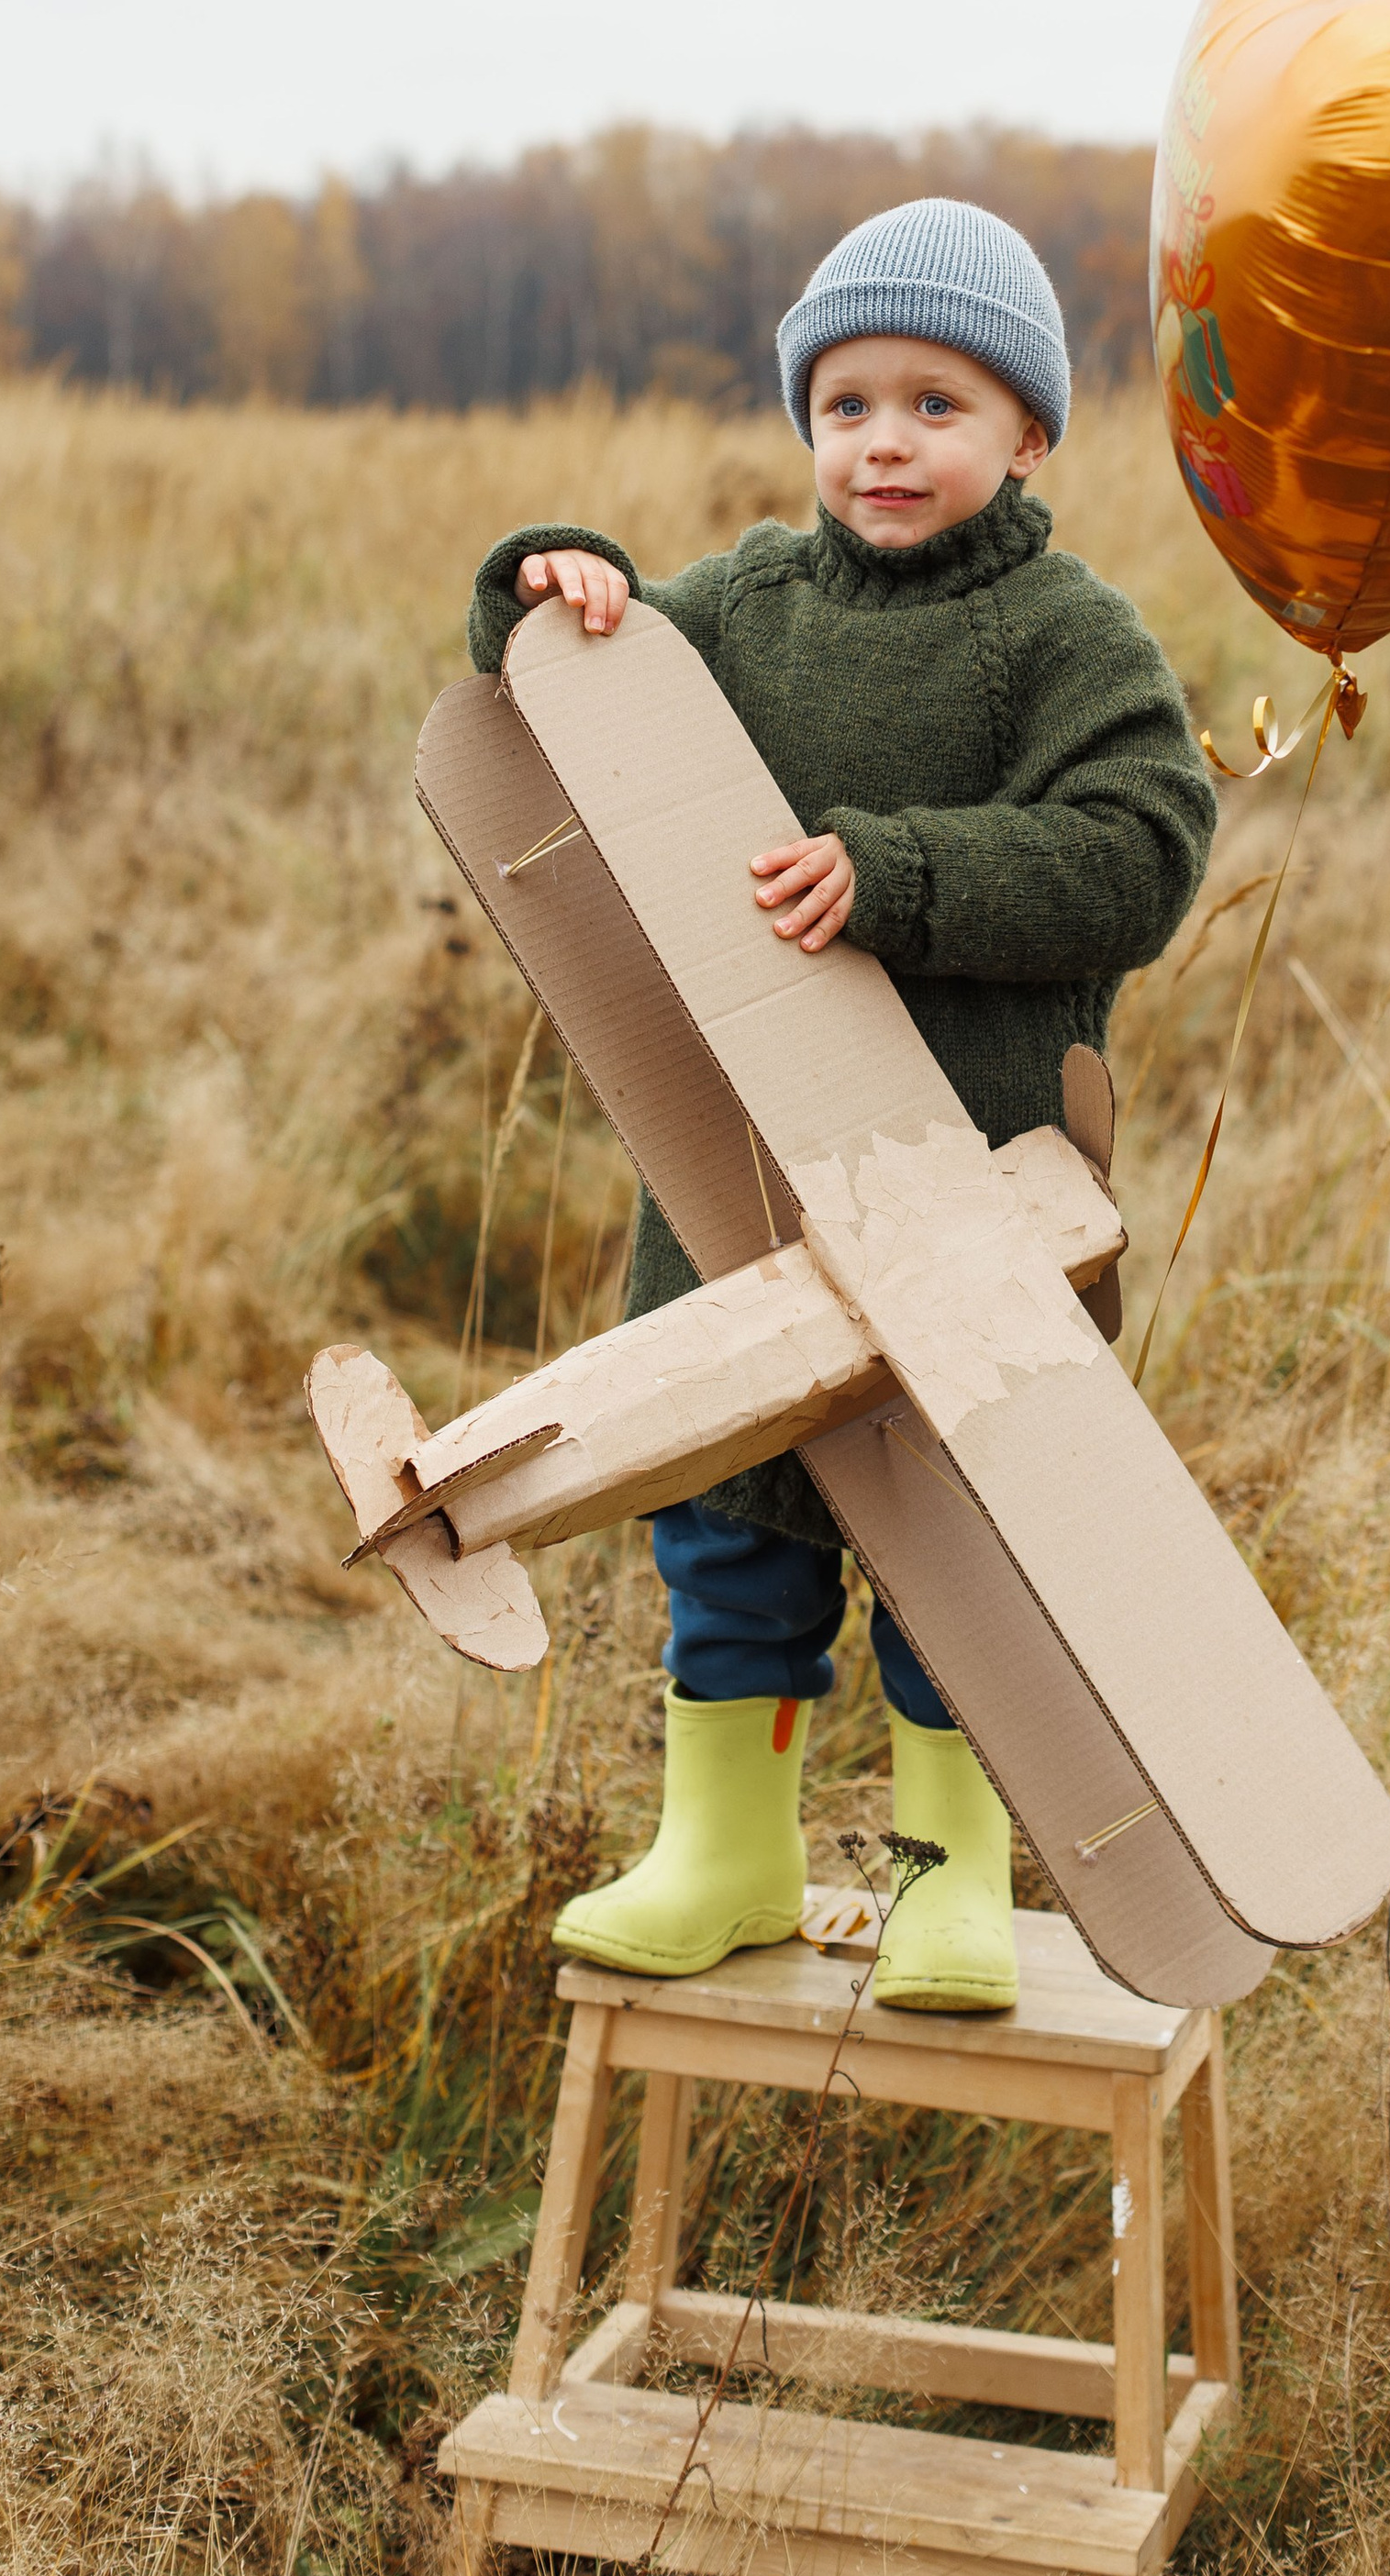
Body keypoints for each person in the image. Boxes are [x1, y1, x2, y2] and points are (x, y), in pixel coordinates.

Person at [465, 197, 1216, 2010]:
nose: (884, 443)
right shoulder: (744, 605)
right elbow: (571, 696)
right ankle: (727, 1853)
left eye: (936, 406)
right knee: (728, 1523)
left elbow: (1142, 851)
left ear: (1026, 433)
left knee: (959, 1553)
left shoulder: (1062, 635)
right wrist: (545, 593)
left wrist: (898, 874)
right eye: (849, 403)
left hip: (965, 1189)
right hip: (739, 1181)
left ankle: (954, 1884)